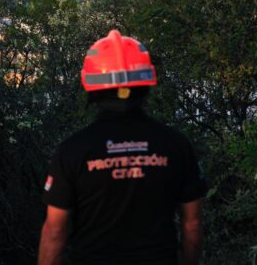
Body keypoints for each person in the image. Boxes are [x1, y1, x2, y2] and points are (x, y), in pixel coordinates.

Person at [38, 30, 206, 265]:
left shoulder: (72, 151)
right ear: (146, 83)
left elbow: (55, 232)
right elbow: (192, 224)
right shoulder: (176, 145)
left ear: (91, 85)